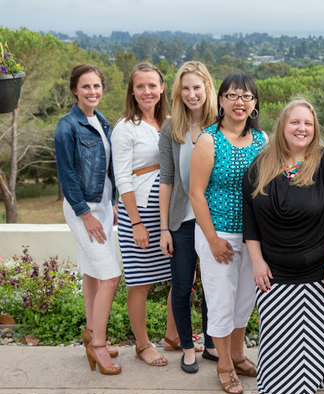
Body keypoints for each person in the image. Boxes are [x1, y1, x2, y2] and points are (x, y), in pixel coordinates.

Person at [241, 99, 324, 394]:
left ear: (314, 129)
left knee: (313, 341)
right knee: (276, 340)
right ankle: (268, 393)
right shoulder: (261, 165)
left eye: (308, 123)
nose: (302, 128)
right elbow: (250, 220)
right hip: (274, 271)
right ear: (282, 127)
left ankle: (303, 391)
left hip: (319, 273)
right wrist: (257, 262)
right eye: (295, 123)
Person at [190, 73, 266, 394]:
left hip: (251, 237)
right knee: (221, 300)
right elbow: (196, 193)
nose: (240, 102)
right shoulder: (209, 140)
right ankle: (223, 364)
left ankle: (237, 354)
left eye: (246, 97)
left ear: (255, 104)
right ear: (220, 100)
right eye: (233, 96)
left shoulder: (262, 140)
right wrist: (212, 239)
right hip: (217, 233)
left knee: (243, 301)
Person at [54, 64, 121, 375]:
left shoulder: (102, 121)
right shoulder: (67, 126)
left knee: (93, 273)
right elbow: (67, 176)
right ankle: (98, 346)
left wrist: (112, 203)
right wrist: (85, 213)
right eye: (86, 87)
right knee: (110, 275)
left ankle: (92, 334)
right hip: (83, 207)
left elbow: (108, 169)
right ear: (74, 90)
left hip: (103, 205)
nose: (92, 92)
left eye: (96, 86)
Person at [159, 61, 219, 373]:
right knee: (182, 286)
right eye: (186, 88)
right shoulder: (172, 129)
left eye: (197, 87)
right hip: (182, 221)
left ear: (208, 87)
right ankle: (187, 346)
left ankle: (211, 343)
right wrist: (164, 228)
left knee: (212, 283)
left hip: (213, 220)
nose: (192, 94)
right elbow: (166, 179)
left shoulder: (219, 126)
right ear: (179, 93)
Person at [112, 62, 172, 367]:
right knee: (140, 281)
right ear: (132, 91)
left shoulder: (171, 123)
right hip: (140, 211)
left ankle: (174, 336)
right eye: (140, 86)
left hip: (169, 209)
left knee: (179, 276)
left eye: (152, 86)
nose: (147, 92)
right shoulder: (125, 127)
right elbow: (122, 178)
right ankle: (142, 344)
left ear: (162, 88)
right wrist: (135, 222)